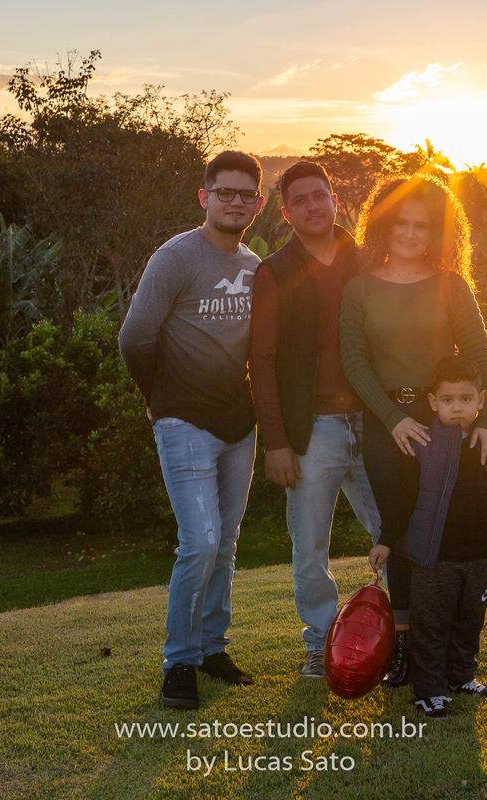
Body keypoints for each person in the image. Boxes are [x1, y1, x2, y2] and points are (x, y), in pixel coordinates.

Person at [340, 174, 487, 687]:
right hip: (387, 427)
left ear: (437, 233)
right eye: (400, 223)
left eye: (422, 226)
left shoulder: (451, 286)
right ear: (383, 225)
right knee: (401, 534)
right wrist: (392, 419)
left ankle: (447, 651)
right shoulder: (359, 289)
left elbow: (479, 358)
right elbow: (354, 360)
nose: (410, 234)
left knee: (440, 540)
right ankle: (406, 650)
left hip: (441, 428)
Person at [118, 150, 266, 710]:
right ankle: (178, 664)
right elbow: (135, 338)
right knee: (199, 542)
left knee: (224, 543)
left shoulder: (254, 268)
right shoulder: (176, 258)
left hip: (237, 424)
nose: (234, 202)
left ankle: (210, 647)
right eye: (223, 192)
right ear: (204, 197)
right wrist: (156, 398)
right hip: (184, 421)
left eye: (244, 194)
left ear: (258, 202)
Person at [249, 161, 381, 679]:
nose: (312, 206)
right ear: (285, 212)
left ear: (334, 200)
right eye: (299, 199)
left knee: (398, 532)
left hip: (374, 424)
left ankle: (405, 634)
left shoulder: (368, 260)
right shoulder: (274, 272)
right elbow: (259, 361)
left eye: (319, 195)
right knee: (311, 550)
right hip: (311, 433)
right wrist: (276, 441)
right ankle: (319, 644)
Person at [368, 355, 487, 718]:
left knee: (470, 622)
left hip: (481, 558)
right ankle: (429, 690)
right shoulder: (421, 445)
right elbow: (403, 500)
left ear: (481, 401)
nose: (457, 408)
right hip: (434, 560)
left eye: (466, 400)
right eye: (448, 400)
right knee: (432, 626)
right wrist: (386, 541)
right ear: (434, 402)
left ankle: (461, 676)